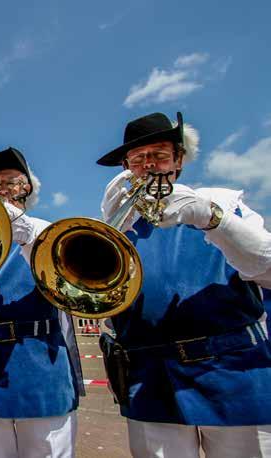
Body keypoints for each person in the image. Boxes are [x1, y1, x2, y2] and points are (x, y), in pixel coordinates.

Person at [98, 112, 271, 457]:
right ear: (126, 168)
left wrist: (209, 217)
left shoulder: (223, 203)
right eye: (138, 159)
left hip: (233, 376)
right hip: (152, 380)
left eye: (160, 155)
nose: (150, 166)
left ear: (179, 160)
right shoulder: (118, 225)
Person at [0, 147, 83, 458]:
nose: (2, 190)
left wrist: (20, 230)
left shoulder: (44, 229)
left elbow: (68, 284)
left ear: (27, 188)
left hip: (38, 363)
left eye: (10, 182)